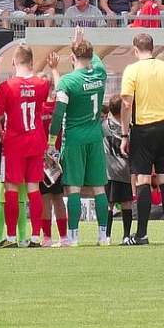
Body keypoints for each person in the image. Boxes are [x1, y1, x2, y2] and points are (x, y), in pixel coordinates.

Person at [116, 31, 164, 246]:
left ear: (135, 50)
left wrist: (124, 134)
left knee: (143, 180)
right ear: (153, 48)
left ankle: (142, 234)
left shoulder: (132, 70)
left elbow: (126, 104)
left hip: (143, 128)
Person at [51, 33, 111, 247]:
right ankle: (103, 237)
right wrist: (79, 42)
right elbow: (97, 60)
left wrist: (51, 140)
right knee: (99, 188)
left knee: (73, 188)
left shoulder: (68, 81)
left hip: (74, 138)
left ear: (72, 57)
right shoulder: (100, 74)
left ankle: (73, 237)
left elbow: (58, 114)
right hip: (95, 137)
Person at [0, 45, 53, 248]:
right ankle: (34, 236)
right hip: (35, 141)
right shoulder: (42, 84)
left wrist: (1, 134)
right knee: (34, 188)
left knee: (11, 189)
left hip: (14, 143)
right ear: (32, 62)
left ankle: (11, 237)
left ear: (13, 62)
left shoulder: (7, 86)